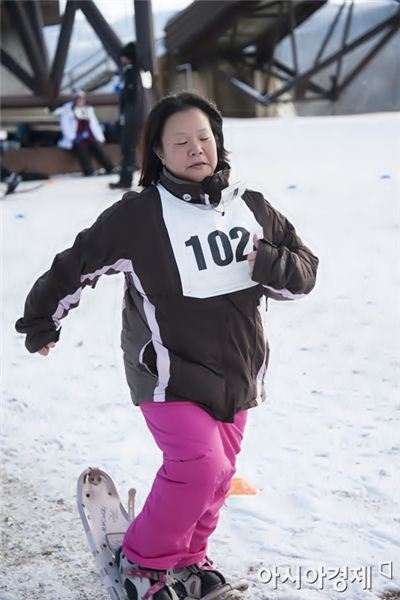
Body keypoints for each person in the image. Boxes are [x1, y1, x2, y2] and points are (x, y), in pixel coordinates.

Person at [15, 92, 319, 600]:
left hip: (239, 374)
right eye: (180, 141)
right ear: (159, 152)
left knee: (219, 480)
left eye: (204, 138)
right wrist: (43, 318)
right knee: (200, 468)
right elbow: (78, 262)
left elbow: (304, 272)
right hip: (167, 373)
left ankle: (191, 560)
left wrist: (269, 262)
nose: (196, 149)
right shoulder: (139, 216)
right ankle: (143, 561)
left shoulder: (251, 206)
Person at [109, 42, 145, 190]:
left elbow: (130, 97)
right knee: (130, 149)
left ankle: (125, 179)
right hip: (135, 117)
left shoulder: (131, 73)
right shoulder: (137, 72)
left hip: (131, 118)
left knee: (127, 149)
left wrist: (125, 116)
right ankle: (125, 178)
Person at [57, 90, 114, 176]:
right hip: (76, 137)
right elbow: (65, 125)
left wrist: (100, 137)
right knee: (82, 152)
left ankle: (109, 168)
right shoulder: (68, 109)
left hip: (89, 136)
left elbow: (94, 124)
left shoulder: (88, 109)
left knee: (97, 149)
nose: (81, 101)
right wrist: (71, 137)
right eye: (79, 100)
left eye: (82, 99)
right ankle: (88, 171)